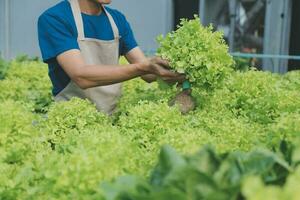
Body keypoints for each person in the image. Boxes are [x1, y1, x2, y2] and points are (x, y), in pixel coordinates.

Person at [38, 0, 184, 114]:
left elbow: (148, 73)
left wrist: (178, 70)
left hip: (111, 118)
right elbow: (81, 76)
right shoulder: (55, 18)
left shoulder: (117, 20)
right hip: (72, 119)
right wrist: (144, 67)